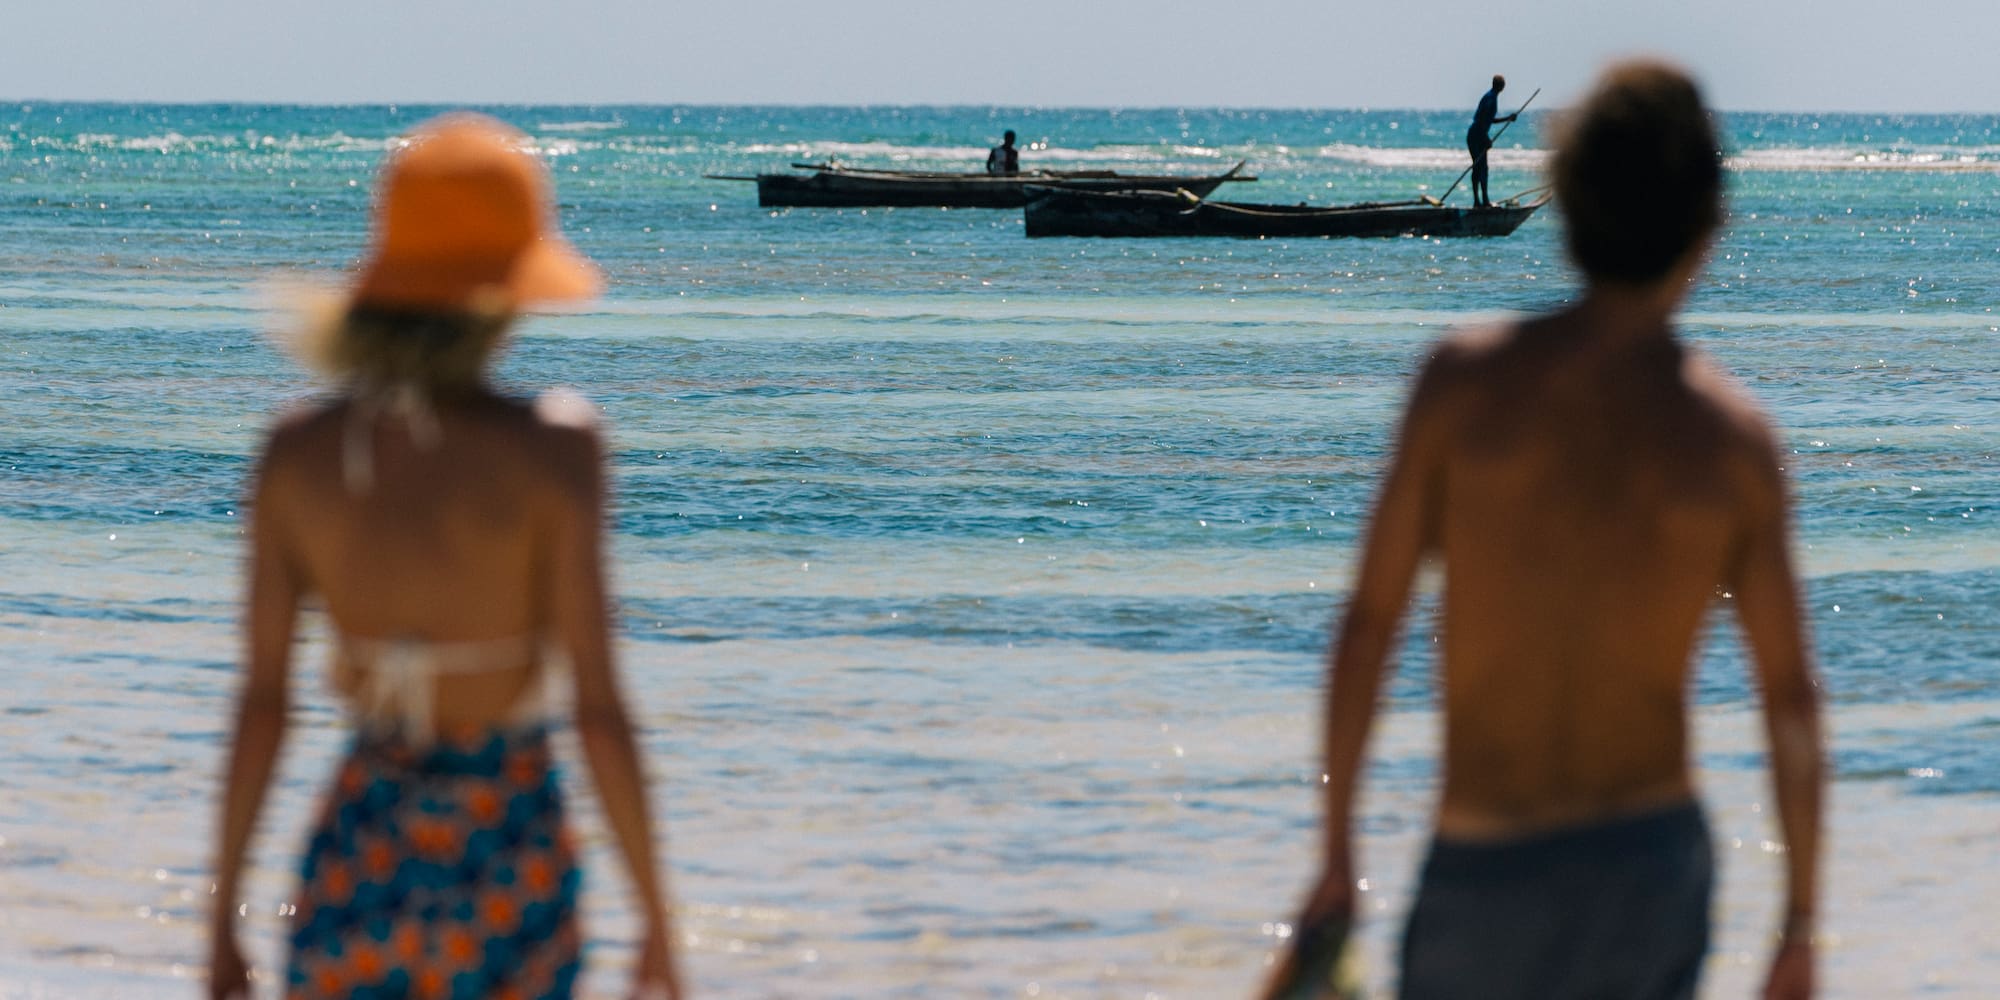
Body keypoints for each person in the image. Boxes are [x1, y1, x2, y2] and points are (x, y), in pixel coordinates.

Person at [1263, 61, 1822, 1000]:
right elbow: (1789, 698)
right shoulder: (1733, 443)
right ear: (1711, 226)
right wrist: (1799, 924)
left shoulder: (1462, 387)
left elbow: (1367, 629)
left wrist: (1337, 853)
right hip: (1649, 863)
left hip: (1486, 854)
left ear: (1565, 201)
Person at [207, 113, 684, 1000]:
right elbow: (599, 711)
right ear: (505, 291)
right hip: (509, 837)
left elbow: (261, 705)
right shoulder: (556, 452)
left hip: (362, 836)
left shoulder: (299, 454)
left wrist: (220, 918)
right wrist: (658, 920)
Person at [1467, 74, 1517, 208]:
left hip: (1475, 134)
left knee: (1480, 168)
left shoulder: (1490, 96)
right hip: (1477, 135)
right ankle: (1481, 201)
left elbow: (1489, 120)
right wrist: (1485, 138)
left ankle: (1481, 201)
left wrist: (1508, 118)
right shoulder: (1490, 98)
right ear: (1502, 87)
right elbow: (1482, 120)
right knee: (1480, 167)